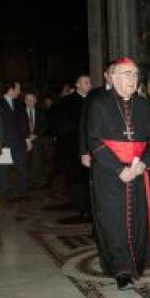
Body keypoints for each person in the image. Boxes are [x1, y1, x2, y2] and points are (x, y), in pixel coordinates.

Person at [87, 57, 150, 290]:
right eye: (127, 74)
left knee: (137, 219)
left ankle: (136, 263)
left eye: (135, 74)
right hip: (110, 174)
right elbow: (95, 142)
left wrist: (144, 164)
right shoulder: (100, 104)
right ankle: (120, 268)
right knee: (113, 221)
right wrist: (119, 169)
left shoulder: (142, 104)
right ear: (114, 77)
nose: (133, 79)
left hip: (137, 171)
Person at [55, 75, 92, 217]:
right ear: (77, 84)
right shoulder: (67, 101)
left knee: (88, 177)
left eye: (90, 82)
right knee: (77, 177)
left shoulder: (93, 99)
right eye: (86, 82)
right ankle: (80, 206)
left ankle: (89, 205)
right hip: (73, 145)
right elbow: (63, 125)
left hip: (90, 144)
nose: (89, 84)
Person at [0, 80, 28, 202]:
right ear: (10, 90)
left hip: (19, 143)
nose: (19, 91)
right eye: (18, 89)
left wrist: (27, 139)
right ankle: (7, 195)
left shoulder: (20, 105)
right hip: (4, 144)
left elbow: (24, 124)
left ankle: (21, 193)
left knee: (22, 169)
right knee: (4, 171)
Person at [24, 91, 49, 188]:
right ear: (25, 101)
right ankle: (26, 181)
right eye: (27, 100)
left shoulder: (41, 112)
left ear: (35, 101)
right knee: (25, 162)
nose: (29, 102)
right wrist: (26, 136)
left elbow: (45, 126)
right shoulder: (20, 112)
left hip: (37, 140)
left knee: (37, 161)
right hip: (24, 140)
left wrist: (36, 135)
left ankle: (35, 181)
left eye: (31, 100)